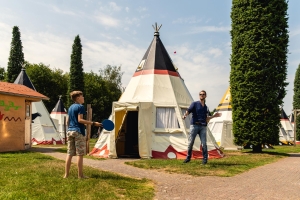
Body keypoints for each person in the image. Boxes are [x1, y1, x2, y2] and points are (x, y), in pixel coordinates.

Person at [63, 91, 102, 179]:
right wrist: (93, 123)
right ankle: (80, 175)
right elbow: (80, 120)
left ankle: (66, 175)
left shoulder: (70, 107)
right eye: (82, 96)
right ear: (78, 98)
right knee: (79, 154)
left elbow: (67, 121)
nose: (83, 98)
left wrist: (72, 127)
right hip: (78, 132)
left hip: (70, 131)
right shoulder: (80, 107)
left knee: (69, 153)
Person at [182, 90, 221, 165]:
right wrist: (185, 115)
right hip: (194, 125)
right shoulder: (195, 104)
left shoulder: (206, 107)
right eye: (200, 94)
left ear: (205, 96)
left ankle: (205, 159)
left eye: (203, 94)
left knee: (204, 143)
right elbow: (188, 111)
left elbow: (207, 118)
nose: (201, 95)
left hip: (203, 126)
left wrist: (214, 116)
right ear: (199, 96)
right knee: (190, 142)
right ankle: (188, 158)